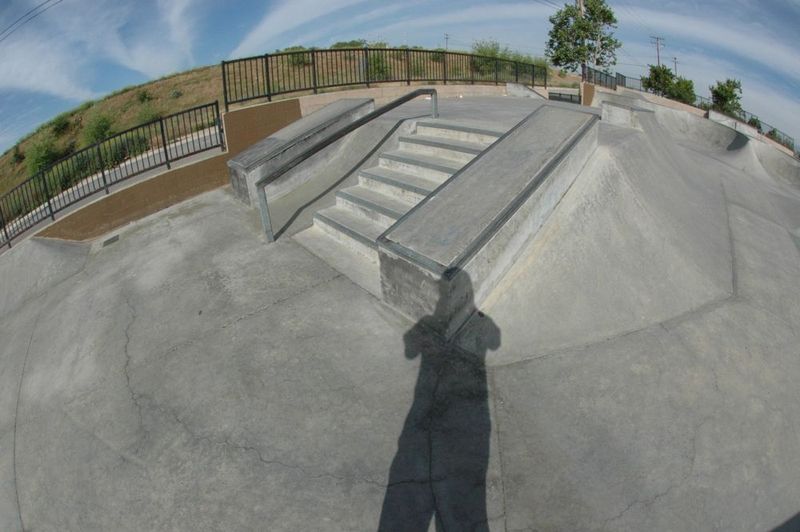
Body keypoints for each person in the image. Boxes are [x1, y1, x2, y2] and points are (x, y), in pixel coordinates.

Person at [379, 271, 500, 531]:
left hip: (440, 418)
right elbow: (496, 341)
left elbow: (410, 351)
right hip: (469, 421)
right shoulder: (482, 322)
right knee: (462, 500)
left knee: (421, 495)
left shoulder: (432, 321)